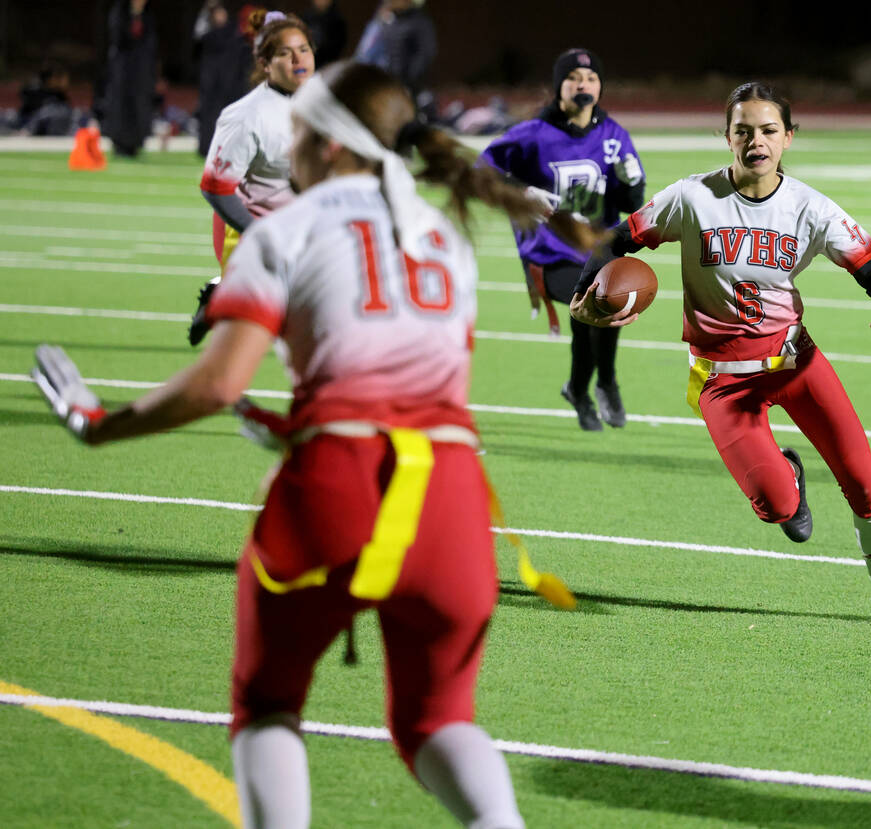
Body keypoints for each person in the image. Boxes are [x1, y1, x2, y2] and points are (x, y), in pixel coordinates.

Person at [29, 58, 585, 829]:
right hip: (451, 500)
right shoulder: (443, 236)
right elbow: (411, 396)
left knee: (267, 704)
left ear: (328, 141)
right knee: (438, 720)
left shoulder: (284, 229)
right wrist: (298, 420)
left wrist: (102, 423)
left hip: (337, 488)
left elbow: (219, 382)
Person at [570, 81, 871, 629]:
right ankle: (787, 473)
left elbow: (864, 263)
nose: (756, 141)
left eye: (767, 130)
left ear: (787, 138)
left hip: (796, 363)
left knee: (863, 480)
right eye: (744, 131)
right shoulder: (692, 196)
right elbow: (611, 242)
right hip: (724, 380)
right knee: (779, 510)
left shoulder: (809, 205)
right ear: (728, 137)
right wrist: (584, 294)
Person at [479, 47, 645, 431]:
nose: (583, 84)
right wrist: (520, 192)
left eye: (590, 78)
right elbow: (481, 171)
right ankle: (591, 387)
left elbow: (629, 204)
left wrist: (631, 181)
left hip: (596, 247)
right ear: (559, 87)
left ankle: (592, 385)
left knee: (609, 302)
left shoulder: (613, 134)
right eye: (574, 78)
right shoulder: (532, 134)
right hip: (549, 253)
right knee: (595, 302)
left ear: (600, 86)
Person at [191, 10, 315, 345]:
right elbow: (216, 189)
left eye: (304, 49)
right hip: (248, 230)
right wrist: (261, 232)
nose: (298, 59)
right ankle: (221, 298)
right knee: (248, 335)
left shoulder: (324, 102)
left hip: (300, 229)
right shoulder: (246, 116)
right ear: (264, 63)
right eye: (285, 53)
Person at [354, 0, 437, 121]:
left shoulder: (420, 23)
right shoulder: (384, 20)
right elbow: (365, 52)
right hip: (373, 83)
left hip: (396, 87)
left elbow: (424, 56)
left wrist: (404, 82)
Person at [193, 1, 252, 158]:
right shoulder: (208, 36)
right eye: (217, 14)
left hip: (230, 87)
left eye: (222, 13)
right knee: (209, 118)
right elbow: (197, 38)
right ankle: (207, 148)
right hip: (211, 86)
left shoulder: (235, 35)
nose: (220, 16)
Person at [102, 0, 157, 157]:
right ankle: (119, 142)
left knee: (139, 104)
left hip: (141, 72)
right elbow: (117, 38)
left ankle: (135, 142)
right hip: (122, 70)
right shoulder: (119, 13)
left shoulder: (147, 16)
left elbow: (151, 42)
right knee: (121, 104)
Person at [300, 0, 347, 68]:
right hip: (306, 61)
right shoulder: (306, 17)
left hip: (327, 65)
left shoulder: (337, 21)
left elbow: (336, 47)